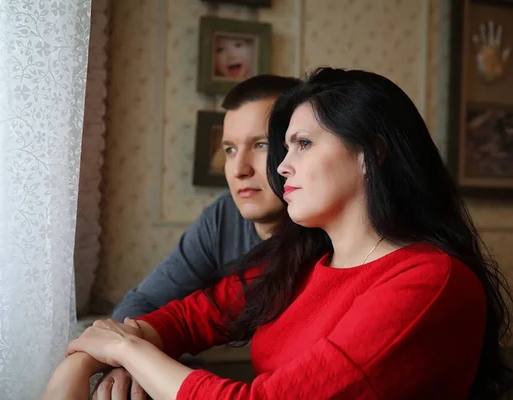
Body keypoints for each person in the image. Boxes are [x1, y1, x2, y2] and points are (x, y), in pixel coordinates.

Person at [43, 67, 513, 399]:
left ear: (373, 154)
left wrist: (125, 348)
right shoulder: (298, 258)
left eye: (303, 144)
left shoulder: (428, 282)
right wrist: (83, 362)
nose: (281, 167)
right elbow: (187, 318)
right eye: (284, 147)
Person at [94, 74, 303, 399]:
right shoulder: (223, 218)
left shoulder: (331, 240)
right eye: (230, 149)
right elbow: (148, 302)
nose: (238, 169)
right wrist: (124, 359)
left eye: (261, 145)